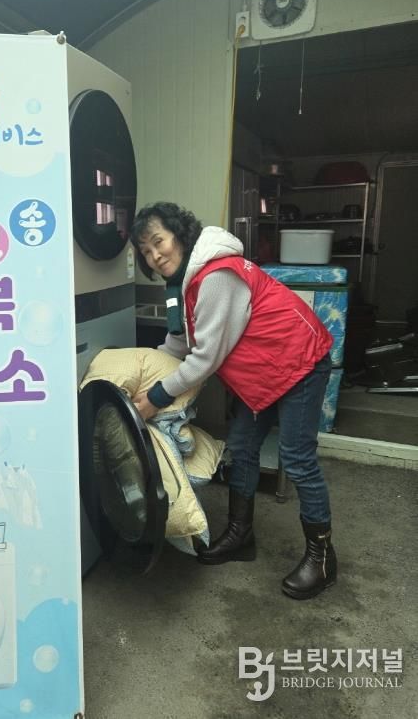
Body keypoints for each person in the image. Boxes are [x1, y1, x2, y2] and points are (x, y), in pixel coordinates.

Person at [130, 201, 336, 600]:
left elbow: (204, 358)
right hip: (262, 371)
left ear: (180, 235)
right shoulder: (182, 285)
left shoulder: (216, 275)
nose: (155, 255)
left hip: (298, 361)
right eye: (146, 251)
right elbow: (178, 344)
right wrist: (143, 372)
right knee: (241, 449)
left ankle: (323, 558)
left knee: (297, 458)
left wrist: (155, 397)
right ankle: (241, 535)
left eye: (159, 241)